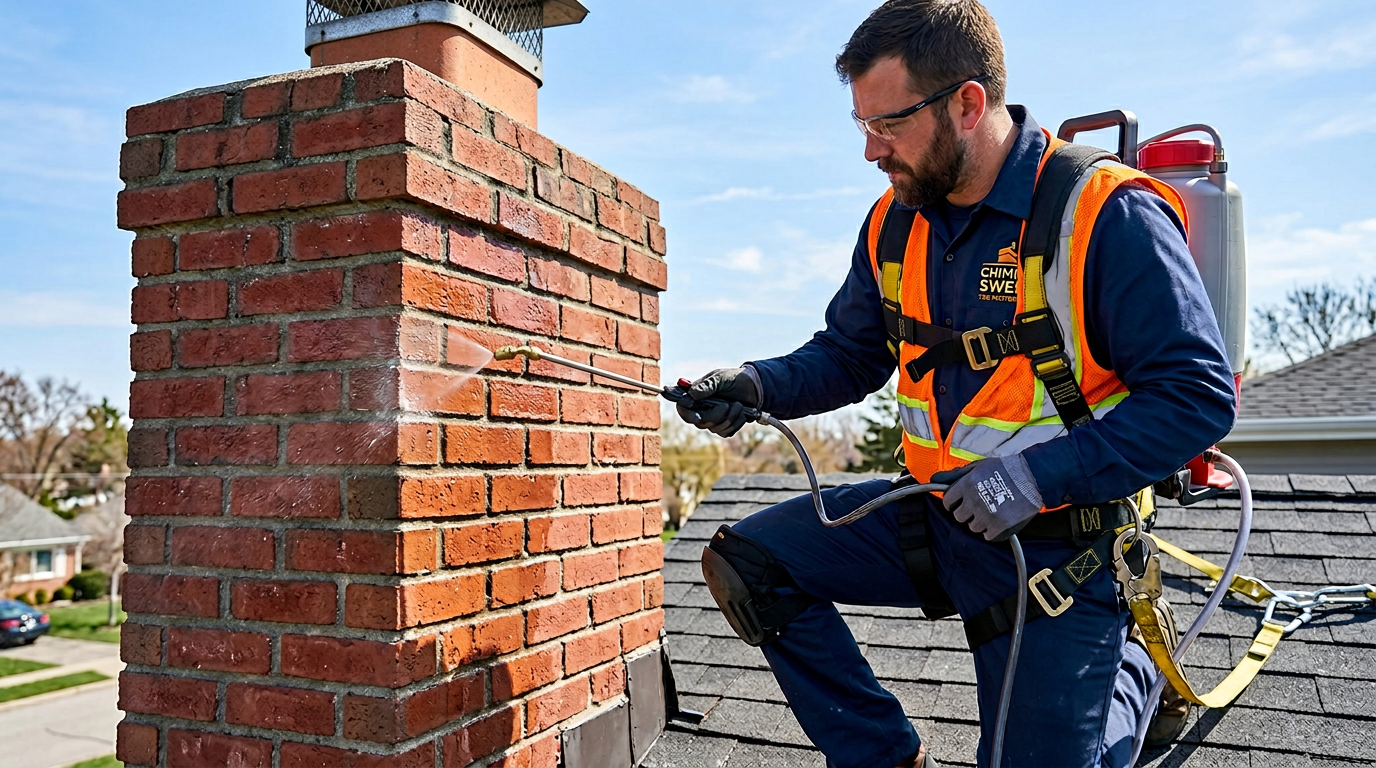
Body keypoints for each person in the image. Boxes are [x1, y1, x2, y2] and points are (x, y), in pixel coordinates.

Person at [677, 2, 1237, 766]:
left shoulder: (1106, 211)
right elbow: (850, 353)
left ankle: (1132, 669)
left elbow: (1198, 395)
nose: (872, 150)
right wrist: (755, 385)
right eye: (862, 125)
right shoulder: (894, 221)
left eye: (890, 124)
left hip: (1057, 551)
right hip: (938, 519)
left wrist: (1036, 478)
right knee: (750, 563)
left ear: (967, 104)